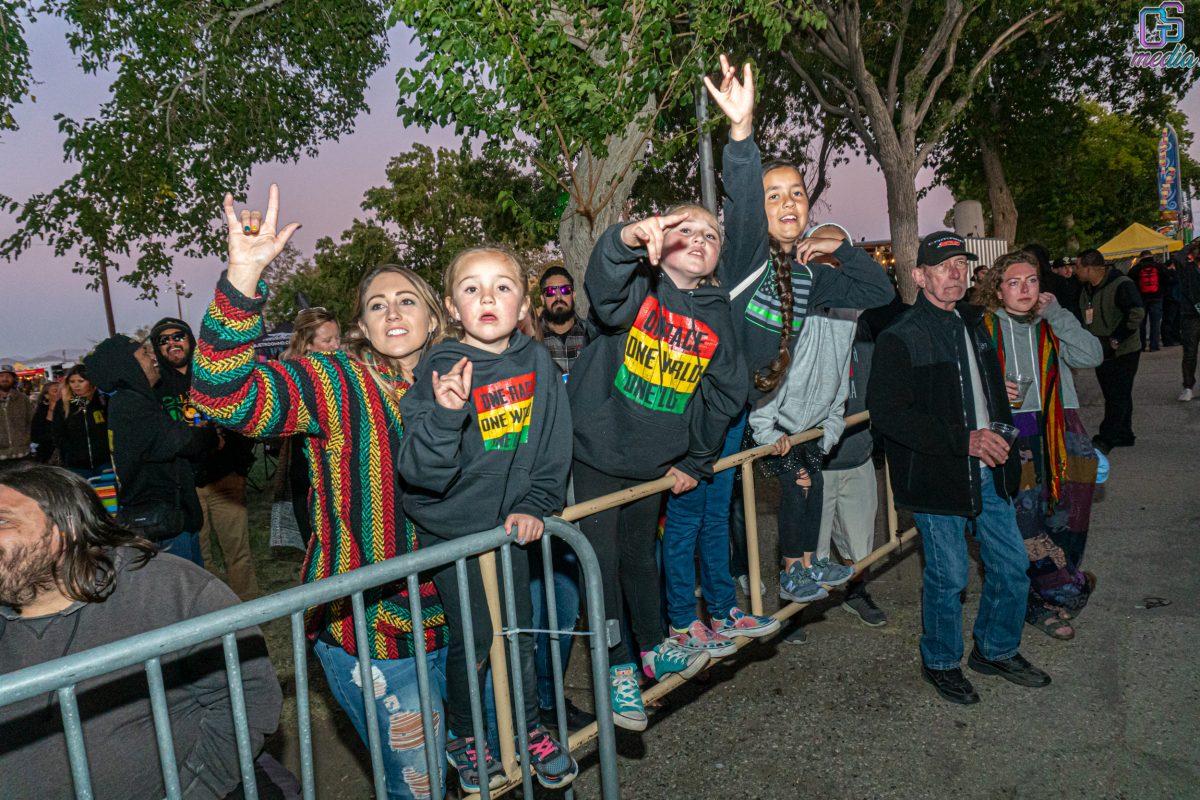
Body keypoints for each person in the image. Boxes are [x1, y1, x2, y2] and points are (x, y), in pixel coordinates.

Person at [190, 186, 450, 800]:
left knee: (461, 769)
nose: (392, 312)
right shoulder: (343, 381)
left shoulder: (459, 383)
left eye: (407, 299)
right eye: (377, 304)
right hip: (373, 629)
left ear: (435, 318)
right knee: (421, 785)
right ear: (361, 326)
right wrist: (244, 276)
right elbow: (219, 395)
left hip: (459, 619)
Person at [703, 55, 894, 611]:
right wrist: (741, 132)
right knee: (714, 513)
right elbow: (738, 202)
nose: (787, 202)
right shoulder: (745, 260)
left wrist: (843, 247)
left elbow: (878, 295)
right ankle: (726, 604)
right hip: (726, 408)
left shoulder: (812, 277)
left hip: (771, 410)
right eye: (774, 194)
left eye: (796, 194)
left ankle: (802, 565)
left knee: (802, 473)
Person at [398, 245, 578, 791]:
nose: (488, 298)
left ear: (524, 300)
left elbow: (553, 447)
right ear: (453, 306)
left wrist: (535, 504)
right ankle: (464, 735)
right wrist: (448, 414)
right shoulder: (439, 365)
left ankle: (526, 729)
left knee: (517, 633)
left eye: (502, 286)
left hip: (508, 530)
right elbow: (419, 470)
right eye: (472, 288)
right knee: (475, 638)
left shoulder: (537, 361)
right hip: (452, 529)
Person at [0, 463, 281, 800]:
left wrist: (194, 790)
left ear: (67, 529)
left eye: (3, 521)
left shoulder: (167, 590)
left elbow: (247, 699)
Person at [568, 206, 747, 731]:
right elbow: (602, 289)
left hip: (653, 461)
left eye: (710, 235)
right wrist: (624, 239)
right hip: (595, 452)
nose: (698, 240)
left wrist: (696, 457)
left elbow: (728, 390)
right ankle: (616, 667)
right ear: (660, 239)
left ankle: (653, 649)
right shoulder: (637, 288)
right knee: (600, 567)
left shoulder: (717, 310)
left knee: (639, 558)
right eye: (684, 230)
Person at [868, 230, 1051, 706]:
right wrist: (962, 439)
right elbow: (890, 415)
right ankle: (941, 661)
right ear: (918, 275)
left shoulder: (975, 323)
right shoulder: (900, 337)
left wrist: (1000, 408)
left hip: (990, 469)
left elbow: (987, 386)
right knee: (949, 578)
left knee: (1012, 567)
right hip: (937, 478)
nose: (955, 274)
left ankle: (994, 649)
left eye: (961, 266)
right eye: (943, 266)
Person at [974, 252, 1103, 640]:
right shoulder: (981, 328)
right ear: (998, 289)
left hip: (1061, 426)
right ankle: (1046, 597)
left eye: (1031, 280)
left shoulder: (1050, 324)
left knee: (1069, 512)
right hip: (1015, 431)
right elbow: (964, 383)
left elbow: (1092, 355)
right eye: (1013, 282)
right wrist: (992, 386)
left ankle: (1060, 585)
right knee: (1024, 523)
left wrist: (1058, 313)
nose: (1025, 289)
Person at [747, 223, 859, 614]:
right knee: (798, 486)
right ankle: (791, 570)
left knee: (816, 488)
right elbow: (770, 367)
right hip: (776, 424)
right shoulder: (790, 301)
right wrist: (766, 430)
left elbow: (842, 374)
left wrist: (831, 427)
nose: (828, 264)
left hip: (813, 426)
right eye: (819, 253)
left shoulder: (849, 311)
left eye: (835, 256)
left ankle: (811, 562)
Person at [151, 316, 260, 600]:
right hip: (185, 486)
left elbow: (240, 418)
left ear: (190, 340)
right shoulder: (155, 390)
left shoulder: (210, 378)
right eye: (164, 340)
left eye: (178, 336)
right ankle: (212, 616)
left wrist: (239, 465)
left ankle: (249, 616)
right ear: (157, 349)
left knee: (239, 553)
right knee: (200, 560)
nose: (172, 343)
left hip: (225, 479)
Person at [84, 335, 215, 565]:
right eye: (145, 353)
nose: (154, 357)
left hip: (167, 519)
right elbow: (186, 442)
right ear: (128, 365)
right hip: (163, 525)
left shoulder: (131, 401)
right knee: (183, 596)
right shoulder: (132, 405)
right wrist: (206, 432)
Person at [271, 307, 341, 552]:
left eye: (337, 338)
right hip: (308, 471)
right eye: (327, 340)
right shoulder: (294, 377)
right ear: (308, 344)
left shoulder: (342, 370)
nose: (336, 346)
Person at [1075, 248, 1144, 453]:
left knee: (1117, 395)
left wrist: (1117, 338)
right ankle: (1124, 433)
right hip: (1101, 350)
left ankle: (1107, 437)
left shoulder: (1121, 285)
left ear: (1089, 268)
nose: (1074, 271)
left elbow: (1136, 313)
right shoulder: (1087, 289)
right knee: (1117, 393)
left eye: (1077, 267)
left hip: (1124, 350)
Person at [51, 364, 109, 479]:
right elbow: (57, 433)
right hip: (76, 466)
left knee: (108, 495)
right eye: (72, 381)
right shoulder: (64, 404)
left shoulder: (103, 401)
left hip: (105, 463)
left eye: (81, 381)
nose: (76, 385)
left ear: (91, 381)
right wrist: (71, 453)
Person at [537, 265, 592, 377]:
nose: (558, 297)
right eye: (550, 291)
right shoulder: (531, 339)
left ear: (573, 295)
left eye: (565, 290)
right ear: (543, 299)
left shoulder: (591, 334)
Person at [1129, 251, 1165, 352]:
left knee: (1141, 323)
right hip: (1157, 297)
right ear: (1151, 256)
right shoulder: (1159, 266)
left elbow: (1129, 280)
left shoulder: (1136, 268)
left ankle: (1142, 345)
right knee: (1155, 323)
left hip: (1141, 299)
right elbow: (1166, 279)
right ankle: (1154, 346)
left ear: (1141, 257)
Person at [1177, 243, 1200, 402]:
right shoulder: (1187, 270)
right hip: (1190, 315)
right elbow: (1178, 258)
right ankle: (1188, 387)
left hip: (1190, 315)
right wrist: (1193, 244)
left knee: (1190, 353)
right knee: (1190, 353)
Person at [0, 365, 33, 465]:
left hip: (22, 454)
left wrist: (26, 440)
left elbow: (30, 422)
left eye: (8, 376)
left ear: (14, 379)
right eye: (1, 376)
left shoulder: (23, 399)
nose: (5, 379)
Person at [28, 379, 60, 464]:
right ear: (47, 396)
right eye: (55, 391)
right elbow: (36, 436)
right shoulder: (40, 414)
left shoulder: (73, 410)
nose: (60, 393)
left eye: (62, 390)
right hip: (47, 457)